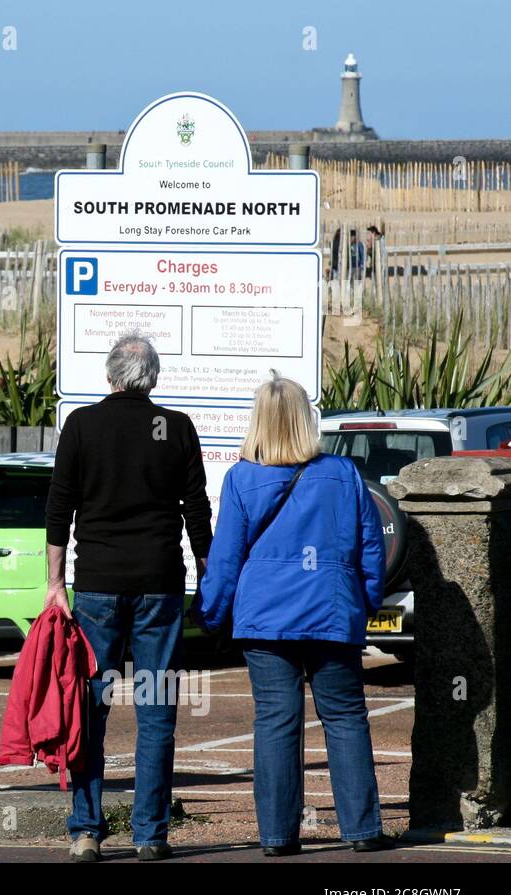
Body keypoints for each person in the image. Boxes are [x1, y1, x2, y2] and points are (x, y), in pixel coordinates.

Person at [198, 374, 391, 856]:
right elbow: (371, 546)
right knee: (345, 717)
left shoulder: (241, 477)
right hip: (331, 610)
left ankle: (279, 836)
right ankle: (363, 829)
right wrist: (364, 602)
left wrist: (212, 614)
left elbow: (226, 558)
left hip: (266, 615)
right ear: (307, 419)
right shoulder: (343, 474)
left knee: (276, 722)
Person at [43, 333, 212, 862]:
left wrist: (55, 585)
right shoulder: (176, 427)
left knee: (90, 708)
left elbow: (59, 510)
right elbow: (197, 511)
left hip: (95, 586)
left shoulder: (82, 426)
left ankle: (86, 830)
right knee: (157, 710)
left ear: (110, 377)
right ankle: (150, 835)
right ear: (153, 379)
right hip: (160, 586)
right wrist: (208, 577)